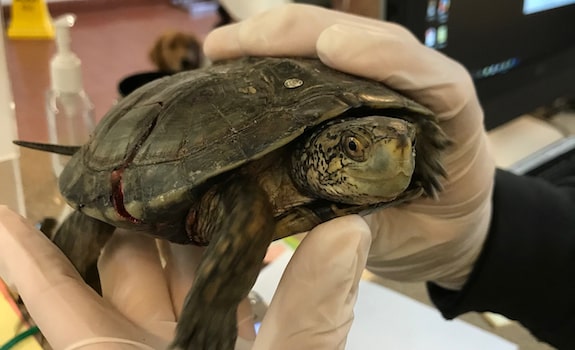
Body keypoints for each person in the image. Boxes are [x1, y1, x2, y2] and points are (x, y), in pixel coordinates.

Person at [1, 4, 574, 349]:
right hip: (160, 143)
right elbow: (244, 208)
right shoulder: (252, 187)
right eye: (354, 147)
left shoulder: (390, 148)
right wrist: (206, 326)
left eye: (402, 147)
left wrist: (481, 236)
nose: (390, 156)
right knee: (85, 239)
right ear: (326, 153)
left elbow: (397, 134)